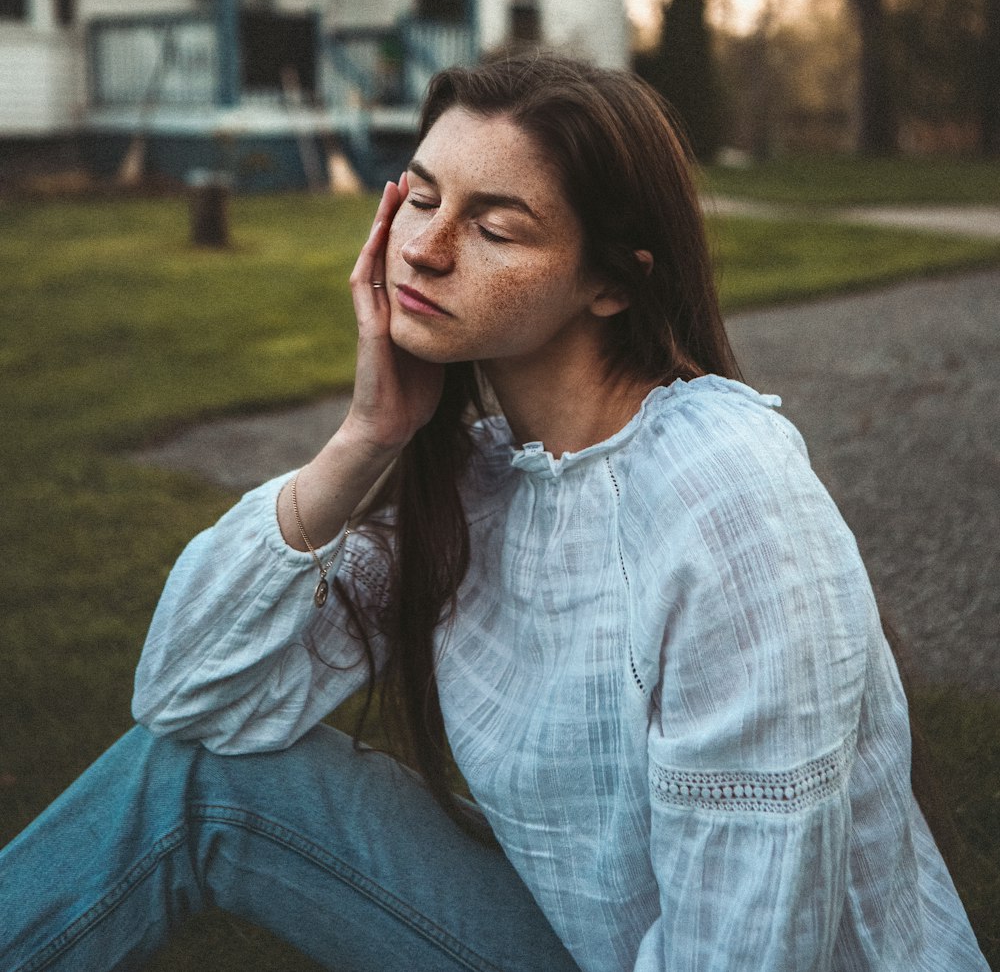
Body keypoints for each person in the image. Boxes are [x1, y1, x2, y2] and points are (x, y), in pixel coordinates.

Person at [0, 53, 987, 972]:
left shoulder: (720, 487)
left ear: (609, 278)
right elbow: (187, 699)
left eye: (493, 225)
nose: (422, 249)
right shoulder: (482, 479)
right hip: (577, 939)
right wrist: (363, 436)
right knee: (189, 775)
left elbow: (746, 941)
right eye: (419, 197)